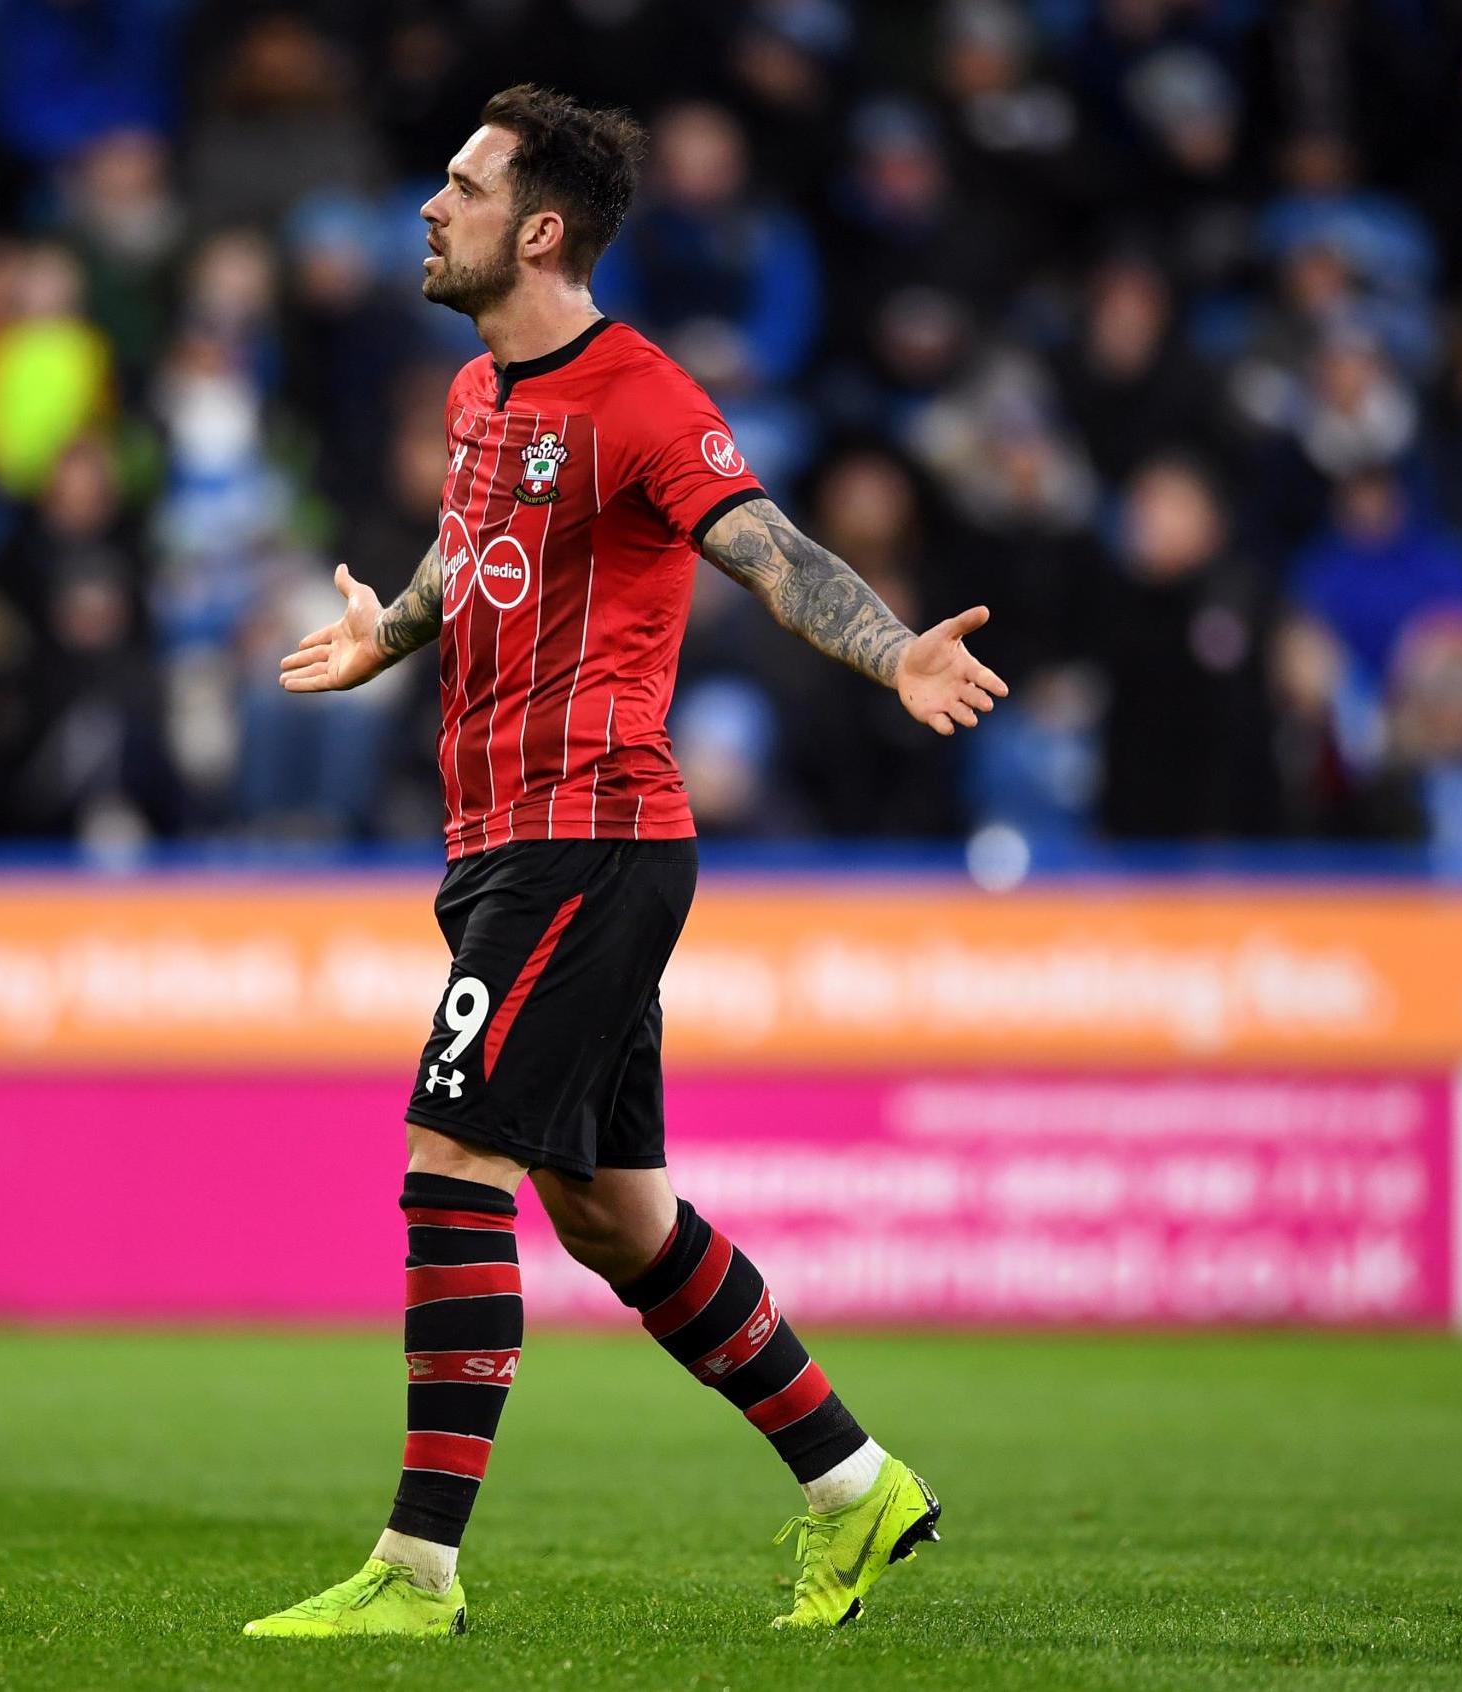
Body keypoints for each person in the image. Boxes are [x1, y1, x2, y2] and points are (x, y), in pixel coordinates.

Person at [247, 86, 1007, 1642]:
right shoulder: (478, 397)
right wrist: (386, 633)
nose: (425, 206)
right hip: (503, 843)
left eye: (457, 187)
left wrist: (891, 655)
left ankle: (413, 1573)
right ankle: (856, 1487)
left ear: (536, 229)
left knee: (450, 1162)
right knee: (612, 1218)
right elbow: (471, 553)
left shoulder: (643, 399)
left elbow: (767, 548)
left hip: (586, 837)